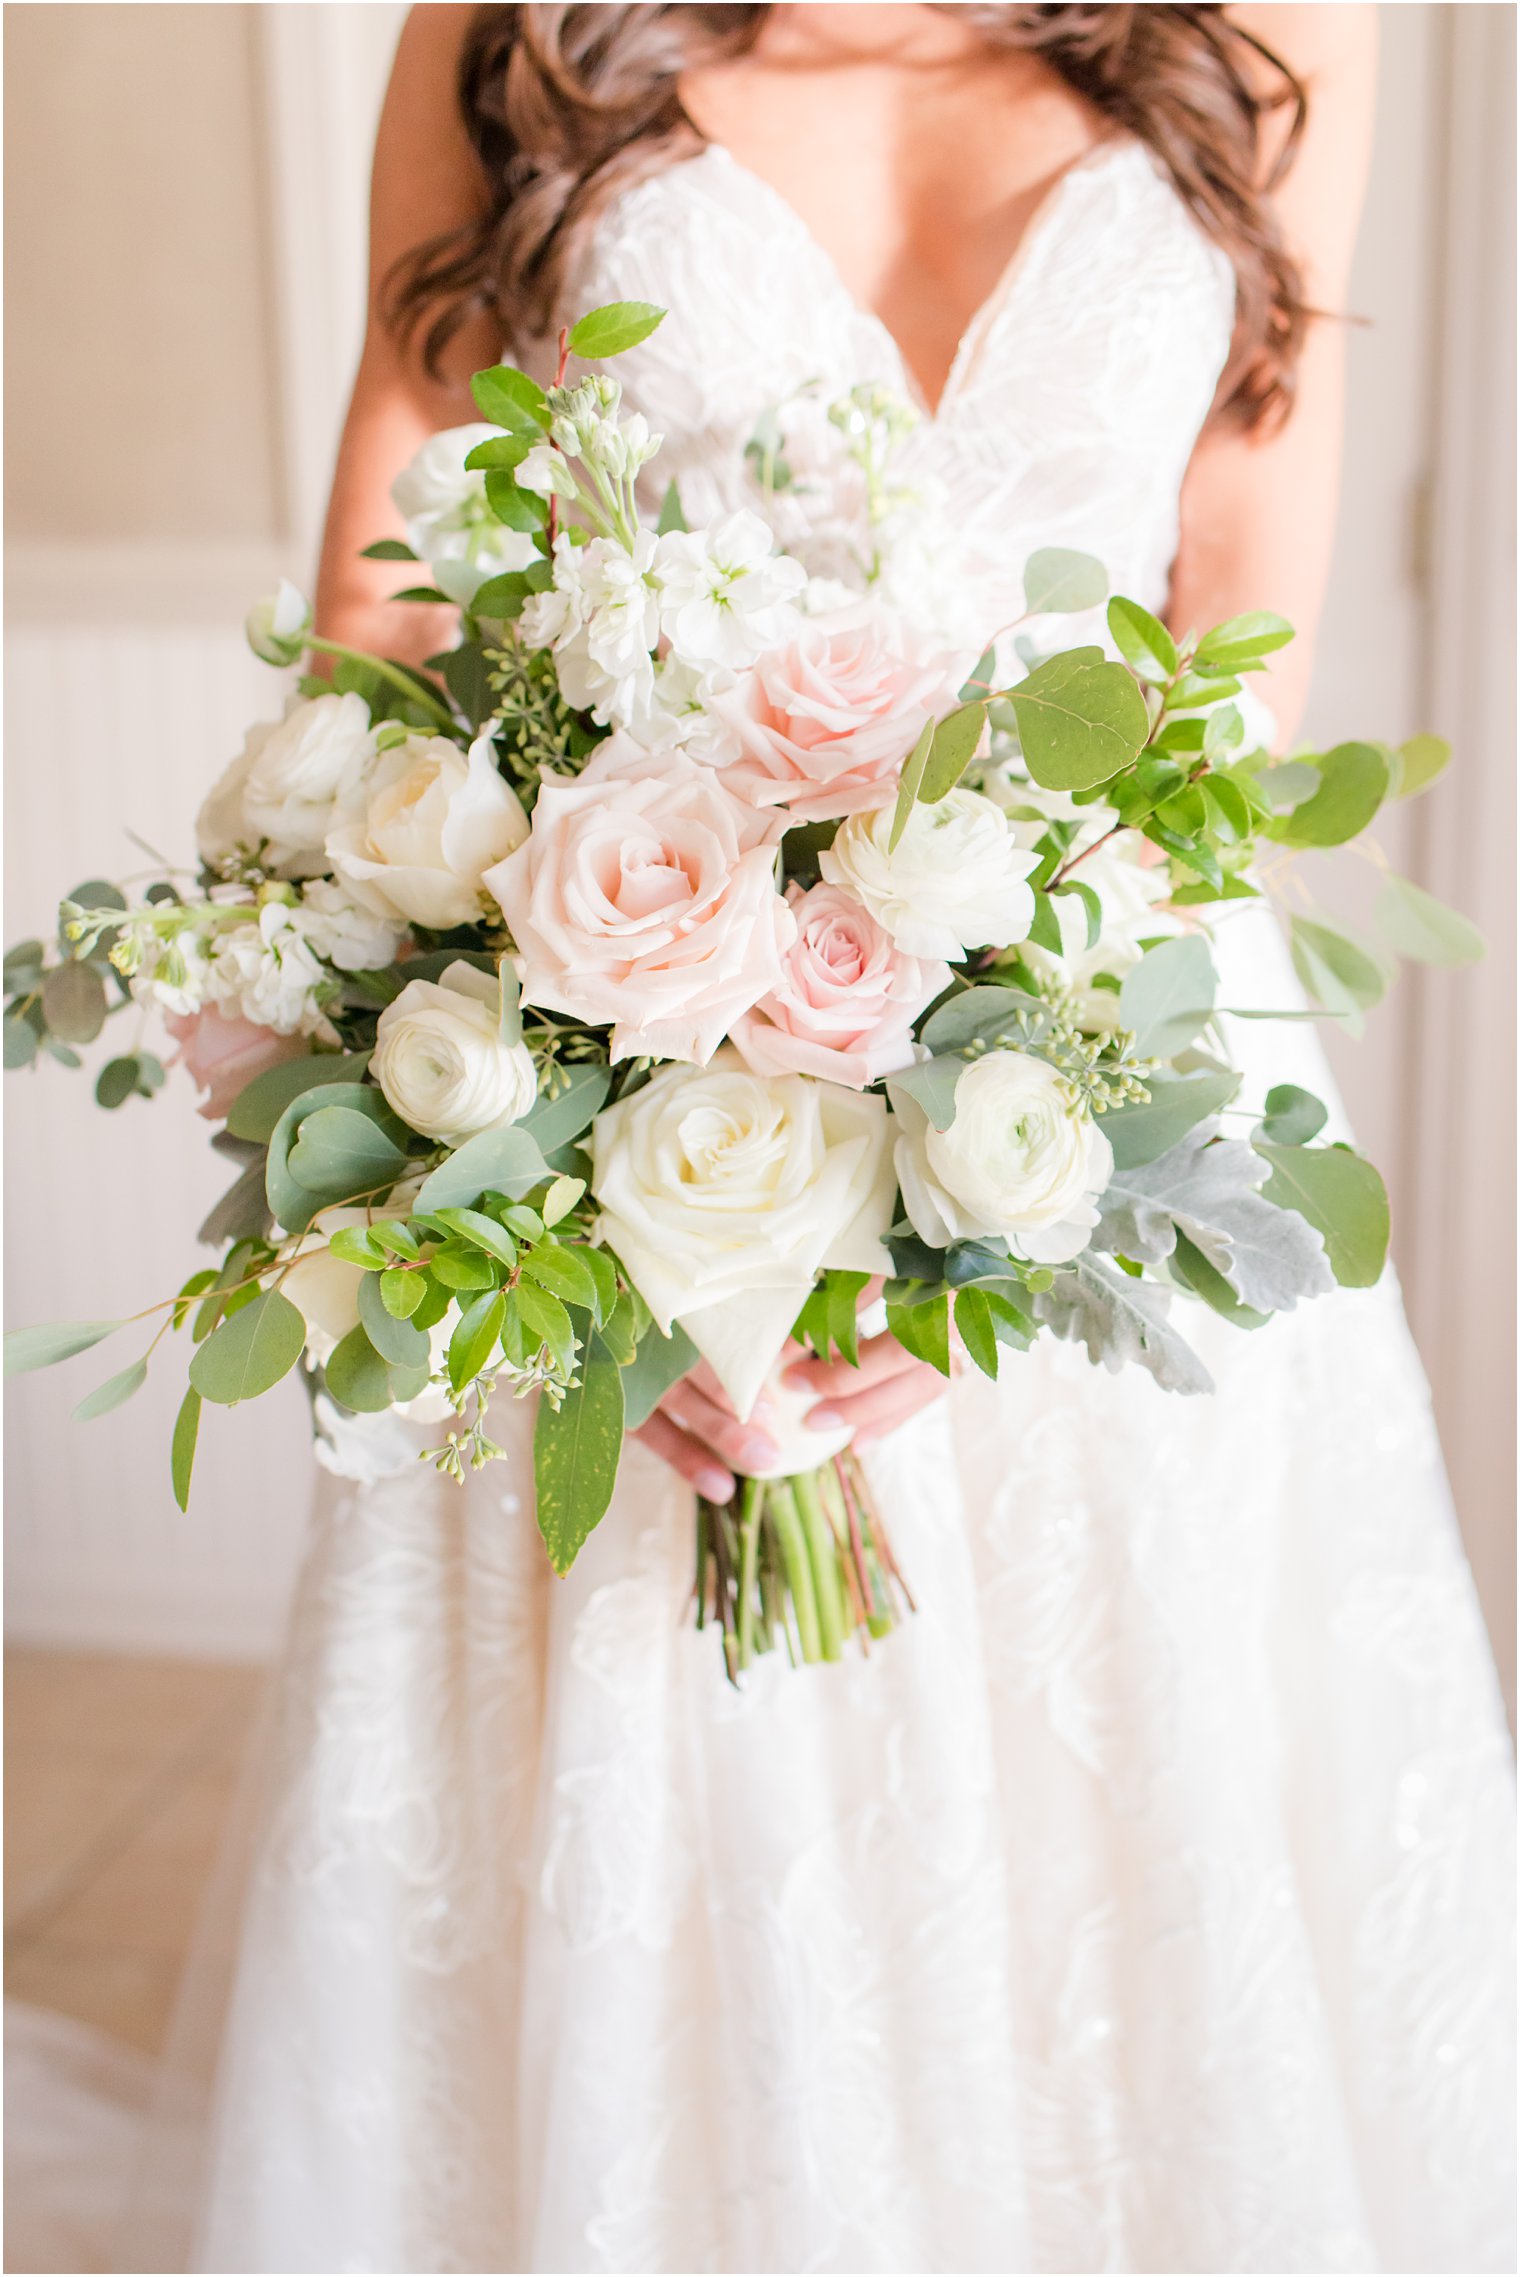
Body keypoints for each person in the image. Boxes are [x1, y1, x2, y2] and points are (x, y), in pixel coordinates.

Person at [171, 9, 1515, 2269]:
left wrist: (1013, 1171)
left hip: (1094, 1039)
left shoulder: (1269, 33)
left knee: (1140, 1871)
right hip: (612, 1021)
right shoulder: (511, 30)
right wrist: (613, 1198)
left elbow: (1236, 647)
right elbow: (381, 611)